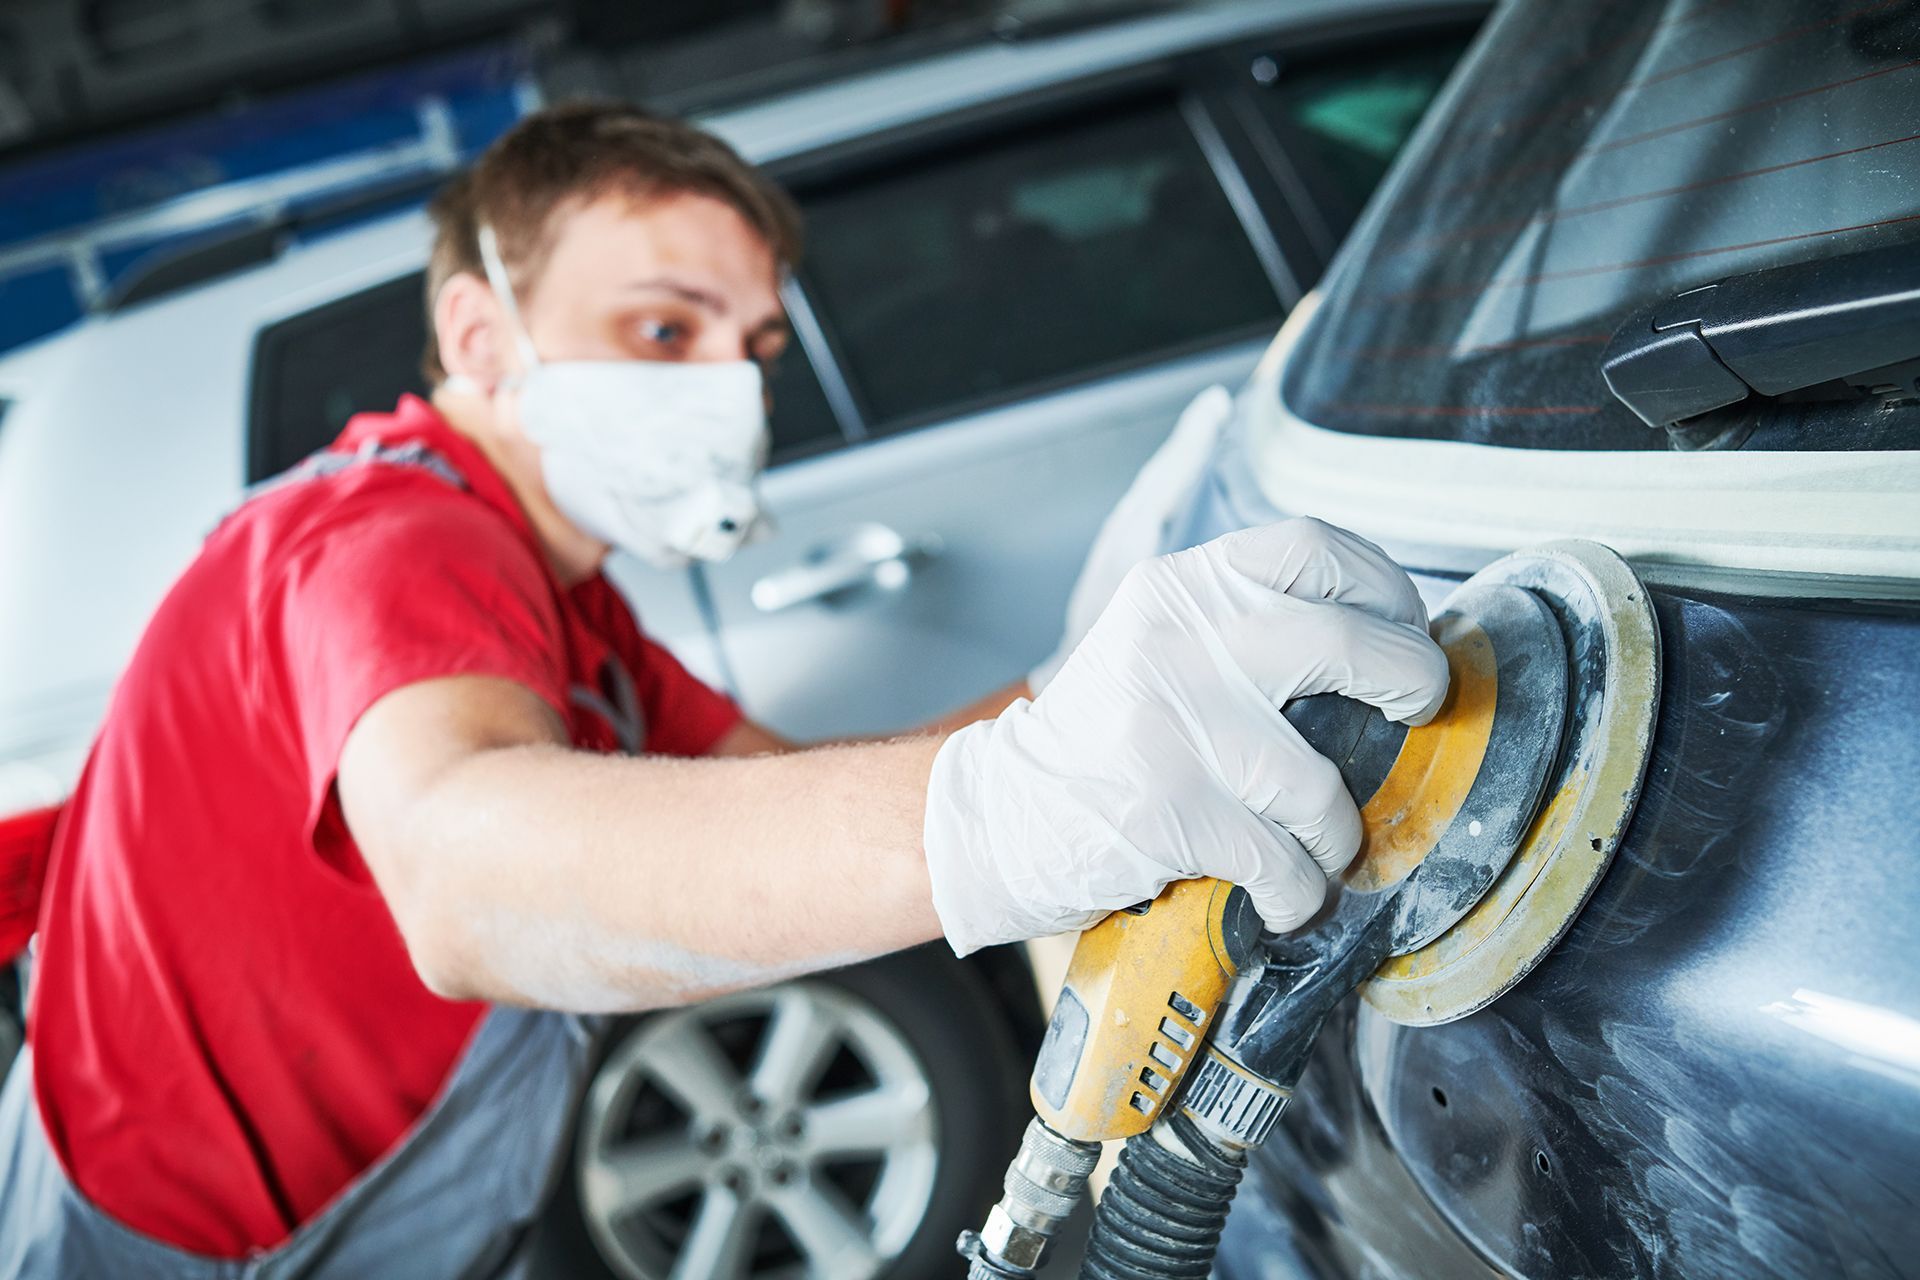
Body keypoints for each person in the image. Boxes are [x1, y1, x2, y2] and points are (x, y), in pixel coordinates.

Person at [0, 103, 1447, 1278]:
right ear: (481, 337)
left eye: (753, 345)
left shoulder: (576, 610)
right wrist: (1011, 810)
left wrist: (1082, 672)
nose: (734, 390)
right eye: (662, 332)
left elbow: (786, 806)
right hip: (170, 1241)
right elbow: (461, 871)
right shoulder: (385, 544)